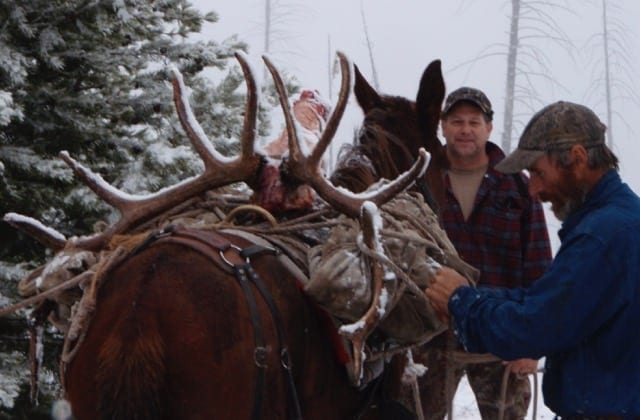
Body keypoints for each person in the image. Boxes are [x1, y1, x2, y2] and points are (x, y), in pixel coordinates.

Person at [426, 101, 640, 417]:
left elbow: (538, 324)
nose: (534, 189)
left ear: (577, 158)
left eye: (538, 173)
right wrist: (475, 296)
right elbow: (544, 300)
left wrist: (461, 301)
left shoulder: (603, 237)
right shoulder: (619, 221)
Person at [416, 87, 552, 419]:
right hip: (430, 339)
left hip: (500, 339)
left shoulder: (518, 187)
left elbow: (539, 268)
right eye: (457, 121)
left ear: (488, 128)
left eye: (474, 122)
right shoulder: (419, 182)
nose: (465, 130)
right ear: (443, 127)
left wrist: (533, 343)